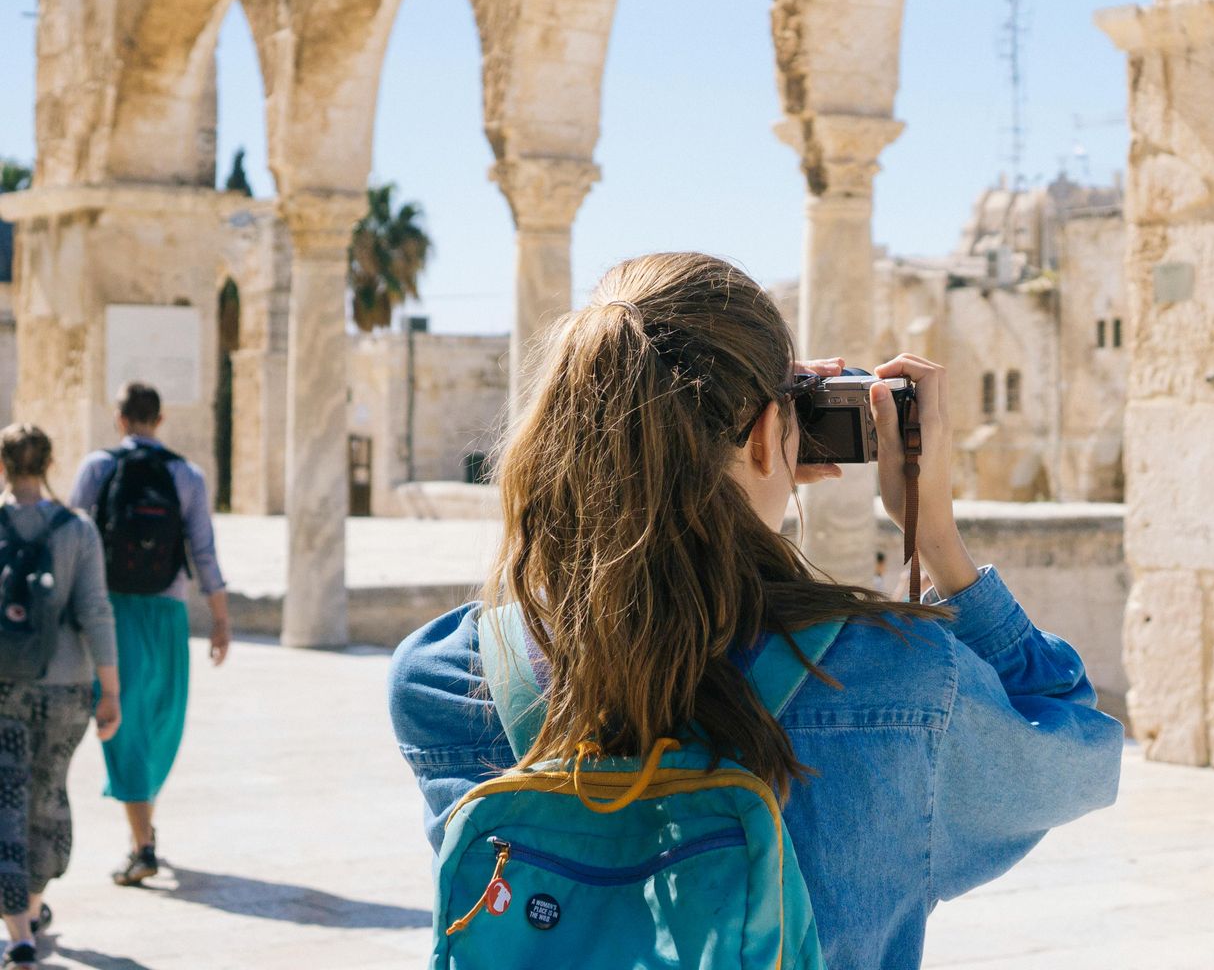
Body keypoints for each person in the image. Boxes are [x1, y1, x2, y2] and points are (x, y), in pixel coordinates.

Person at [389, 253, 1122, 968]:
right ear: (773, 431)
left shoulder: (445, 679)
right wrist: (936, 540)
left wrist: (758, 441)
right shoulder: (899, 682)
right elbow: (1079, 749)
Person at [68, 383, 229, 887]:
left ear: (119, 419)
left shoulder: (97, 467)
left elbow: (72, 538)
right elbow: (203, 550)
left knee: (125, 719)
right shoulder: (187, 474)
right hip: (169, 608)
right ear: (159, 420)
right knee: (161, 718)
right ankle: (143, 839)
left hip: (112, 609)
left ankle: (142, 839)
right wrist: (220, 619)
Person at [0, 424, 121, 966]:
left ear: (2, 464)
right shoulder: (77, 528)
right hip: (66, 687)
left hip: (3, 687)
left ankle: (19, 932)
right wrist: (110, 690)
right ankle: (32, 901)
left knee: (7, 799)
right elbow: (96, 610)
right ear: (49, 463)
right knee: (47, 795)